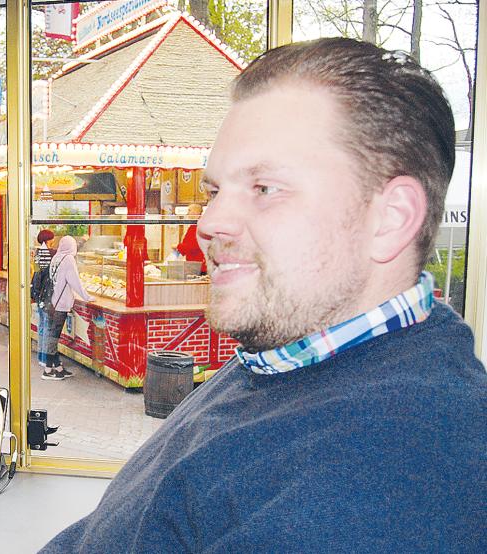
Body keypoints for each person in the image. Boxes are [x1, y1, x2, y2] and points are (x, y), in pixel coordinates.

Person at [41, 38, 485, 552]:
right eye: (213, 191)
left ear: (391, 218)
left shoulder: (398, 480)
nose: (209, 224)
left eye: (264, 188)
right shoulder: (286, 354)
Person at [42, 235, 90, 380]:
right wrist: (86, 296)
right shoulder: (68, 259)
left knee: (52, 335)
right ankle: (48, 370)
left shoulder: (57, 257)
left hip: (52, 302)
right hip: (61, 304)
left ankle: (57, 367)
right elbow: (74, 280)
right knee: (54, 337)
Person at [33, 229, 55, 367]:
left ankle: (41, 356)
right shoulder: (50, 254)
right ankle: (46, 358)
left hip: (39, 295)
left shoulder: (37, 254)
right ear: (47, 240)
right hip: (46, 295)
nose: (54, 241)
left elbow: (36, 275)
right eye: (52, 239)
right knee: (47, 327)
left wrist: (35, 293)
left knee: (42, 326)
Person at [173, 203, 206, 273]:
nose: (187, 213)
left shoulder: (200, 226)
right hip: (193, 265)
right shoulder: (193, 226)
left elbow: (193, 246)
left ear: (196, 212)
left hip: (200, 267)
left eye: (189, 210)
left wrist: (178, 246)